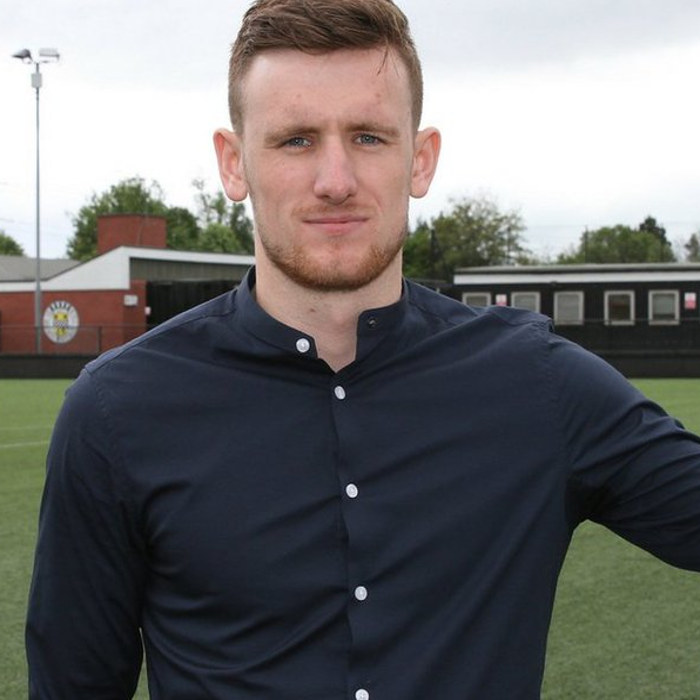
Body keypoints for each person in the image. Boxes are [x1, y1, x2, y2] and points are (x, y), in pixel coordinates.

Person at [26, 0, 700, 697]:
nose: (336, 181)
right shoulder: (117, 411)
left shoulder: (537, 384)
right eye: (296, 140)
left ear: (421, 159)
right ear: (233, 163)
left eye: (370, 137)